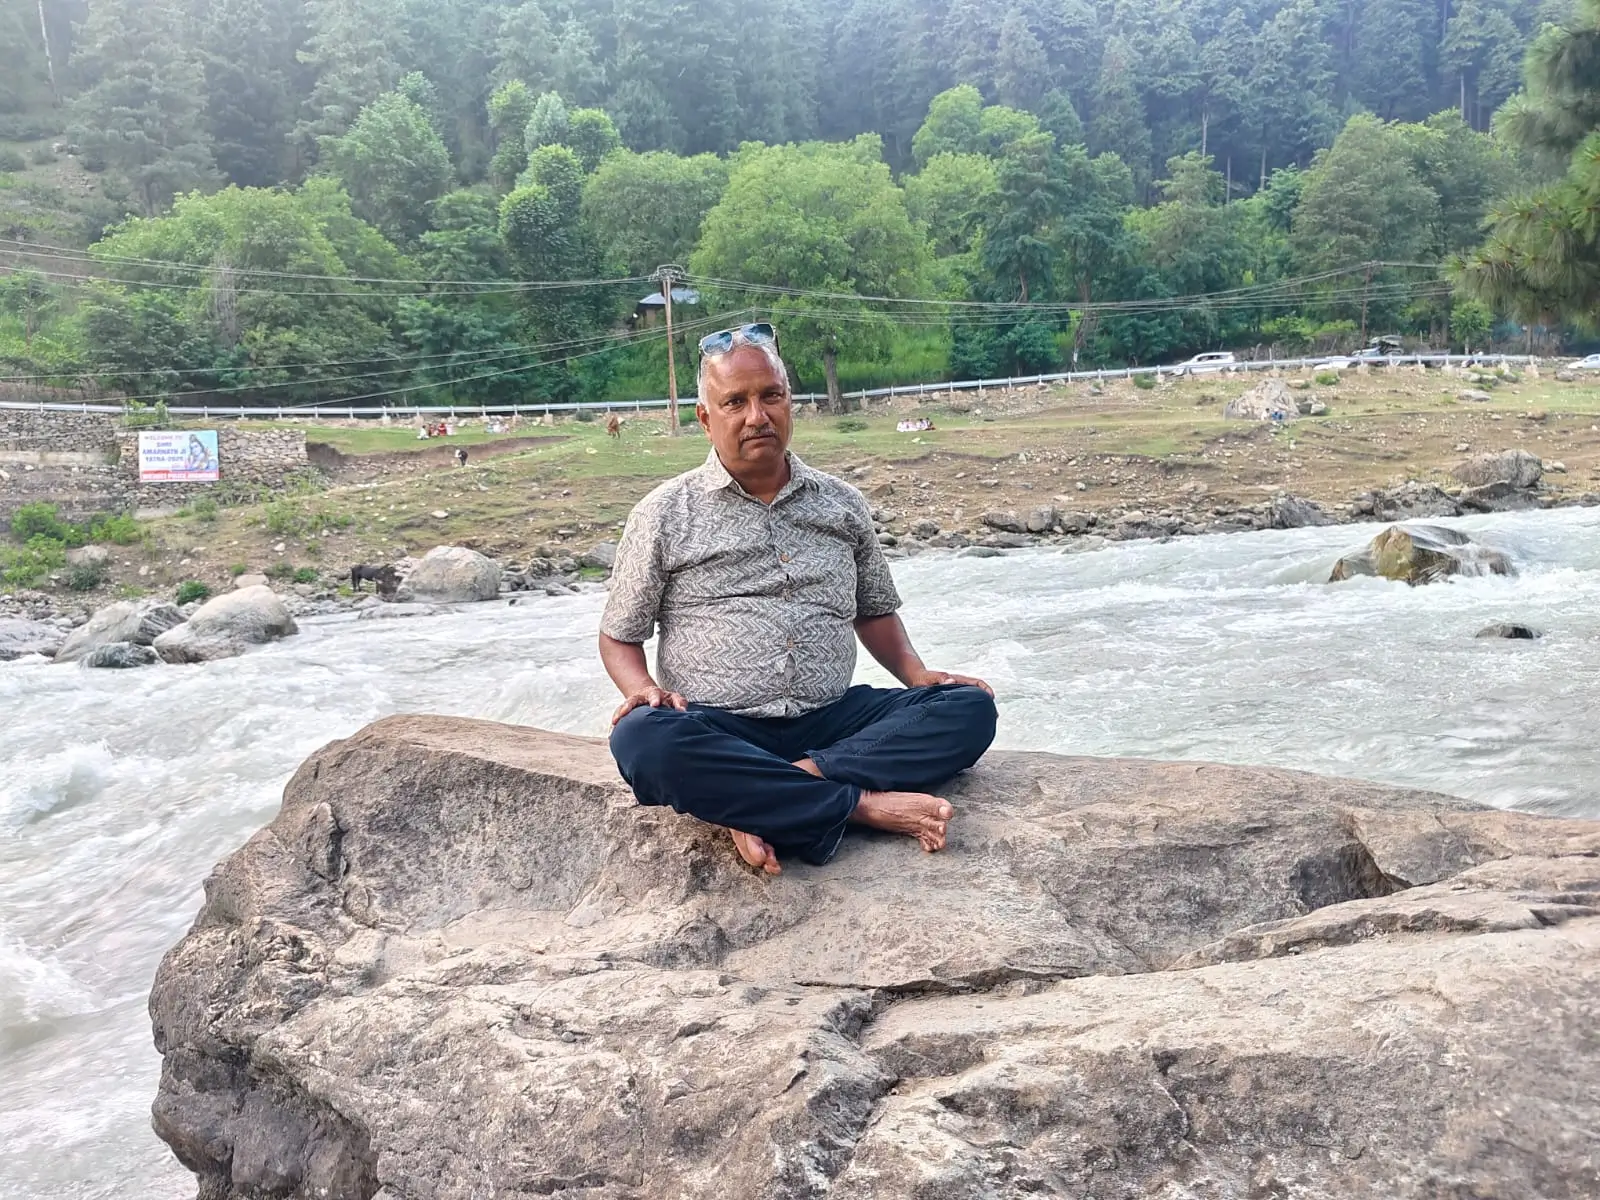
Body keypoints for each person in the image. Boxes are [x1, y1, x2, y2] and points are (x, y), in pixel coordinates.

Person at [601, 322, 998, 876]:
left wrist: (914, 672)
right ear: (705, 418)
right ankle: (861, 807)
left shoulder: (842, 504)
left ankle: (771, 792)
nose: (756, 415)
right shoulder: (665, 514)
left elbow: (873, 609)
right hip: (718, 725)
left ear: (791, 402)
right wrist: (643, 690)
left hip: (832, 720)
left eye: (771, 396)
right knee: (641, 740)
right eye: (734, 401)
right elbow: (620, 635)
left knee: (969, 708)